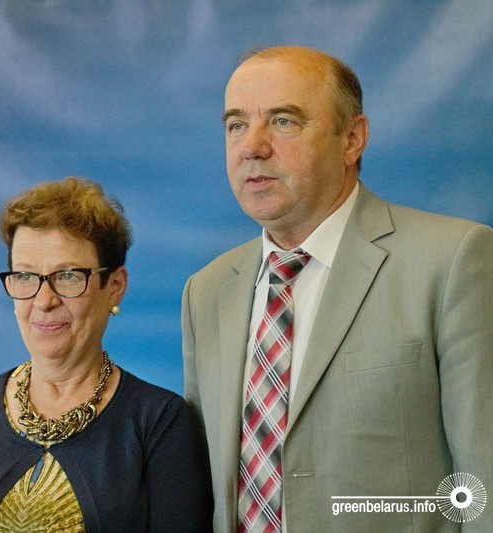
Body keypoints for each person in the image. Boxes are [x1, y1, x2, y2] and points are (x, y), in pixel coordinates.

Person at [182, 45, 493, 532]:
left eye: (283, 121)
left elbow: (484, 483)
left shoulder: (453, 260)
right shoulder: (206, 291)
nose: (252, 146)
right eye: (236, 125)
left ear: (352, 139)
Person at [0, 176, 213, 532]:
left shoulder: (159, 422)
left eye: (67, 276)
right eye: (25, 276)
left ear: (115, 286)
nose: (44, 300)